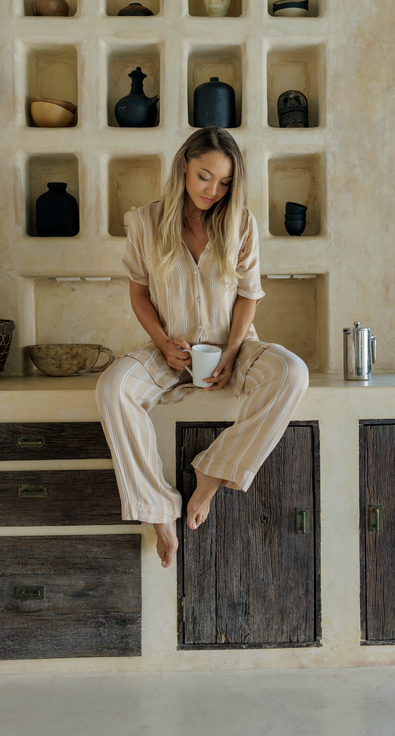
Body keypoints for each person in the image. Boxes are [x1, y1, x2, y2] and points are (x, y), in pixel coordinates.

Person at [96, 127, 309, 568]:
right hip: (167, 349)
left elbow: (249, 295)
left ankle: (211, 472)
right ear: (184, 168)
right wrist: (161, 343)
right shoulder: (144, 222)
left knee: (292, 372)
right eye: (205, 176)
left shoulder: (242, 222)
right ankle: (158, 513)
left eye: (225, 182)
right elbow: (138, 293)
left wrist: (232, 352)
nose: (214, 190)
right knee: (113, 387)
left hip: (232, 346)